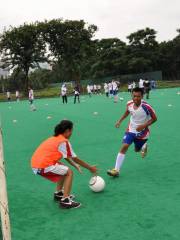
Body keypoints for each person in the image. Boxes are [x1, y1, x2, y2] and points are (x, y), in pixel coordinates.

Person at [31, 120, 97, 209]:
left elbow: (66, 156)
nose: (71, 133)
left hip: (36, 165)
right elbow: (75, 158)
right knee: (69, 172)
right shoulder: (63, 141)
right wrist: (90, 168)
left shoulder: (55, 138)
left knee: (63, 169)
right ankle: (65, 201)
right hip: (43, 165)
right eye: (71, 131)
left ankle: (58, 194)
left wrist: (75, 165)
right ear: (67, 131)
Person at [107, 87, 157, 177]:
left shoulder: (146, 107)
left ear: (142, 96)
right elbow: (127, 111)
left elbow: (154, 119)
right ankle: (116, 170)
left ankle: (144, 146)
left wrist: (143, 125)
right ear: (132, 95)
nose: (136, 98)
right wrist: (120, 121)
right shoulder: (129, 103)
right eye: (134, 96)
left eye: (138, 96)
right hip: (130, 130)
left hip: (142, 133)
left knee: (136, 150)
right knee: (124, 146)